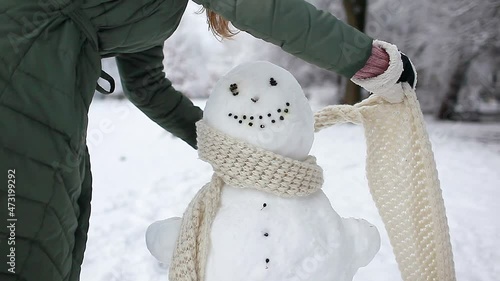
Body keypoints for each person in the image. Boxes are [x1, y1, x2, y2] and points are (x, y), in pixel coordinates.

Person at [0, 0, 414, 280]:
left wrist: (228, 145)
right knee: (22, 247)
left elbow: (146, 85)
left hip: (48, 94)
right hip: (18, 79)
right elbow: (269, 10)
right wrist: (371, 61)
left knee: (48, 242)